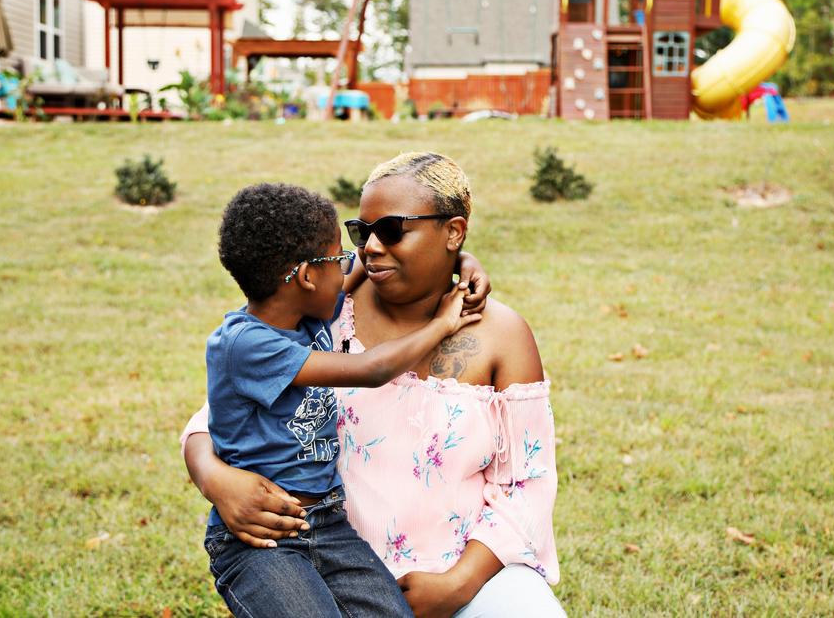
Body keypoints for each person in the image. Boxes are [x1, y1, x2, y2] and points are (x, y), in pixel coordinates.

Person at [184, 153, 562, 617]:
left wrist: (458, 583)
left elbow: (528, 483)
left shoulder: (502, 335)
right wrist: (214, 479)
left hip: (462, 575)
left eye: (392, 230)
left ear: (454, 231)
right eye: (361, 234)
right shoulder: (323, 315)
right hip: (320, 558)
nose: (371, 248)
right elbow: (219, 417)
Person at [200, 183, 483, 618]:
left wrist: (461, 260)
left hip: (329, 526)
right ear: (307, 277)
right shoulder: (245, 344)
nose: (351, 265)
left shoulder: (306, 315)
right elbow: (371, 368)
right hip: (263, 539)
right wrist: (442, 325)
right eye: (339, 258)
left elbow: (373, 263)